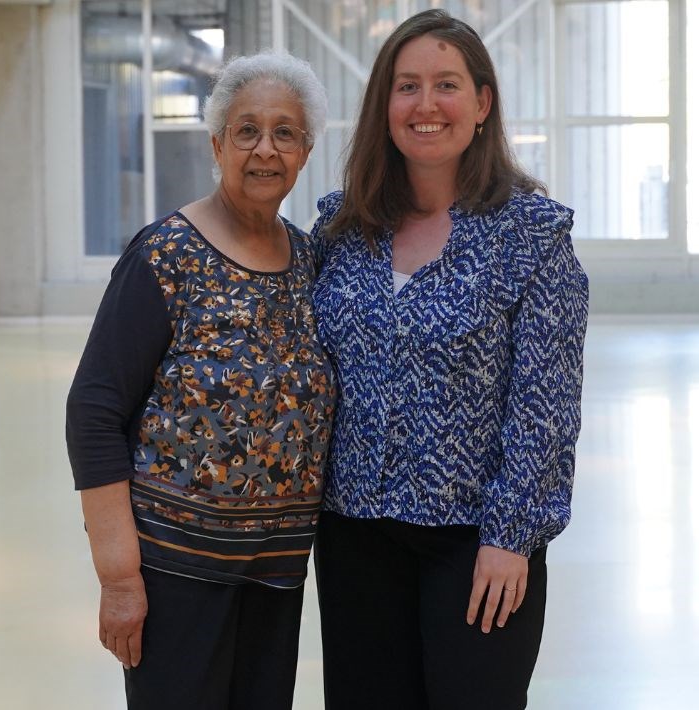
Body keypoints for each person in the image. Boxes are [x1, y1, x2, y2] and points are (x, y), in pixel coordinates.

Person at [311, 9, 588, 710]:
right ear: (385, 106)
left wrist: (510, 537)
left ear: (482, 102)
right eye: (407, 87)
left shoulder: (531, 235)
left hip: (474, 546)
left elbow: (544, 409)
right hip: (355, 540)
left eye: (446, 84)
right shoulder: (341, 230)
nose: (425, 105)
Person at [66, 51, 335, 710]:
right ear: (217, 145)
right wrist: (118, 574)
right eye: (246, 131)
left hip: (275, 573)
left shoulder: (309, 261)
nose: (264, 149)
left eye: (284, 133)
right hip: (173, 573)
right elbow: (93, 411)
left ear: (305, 152)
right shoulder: (166, 255)